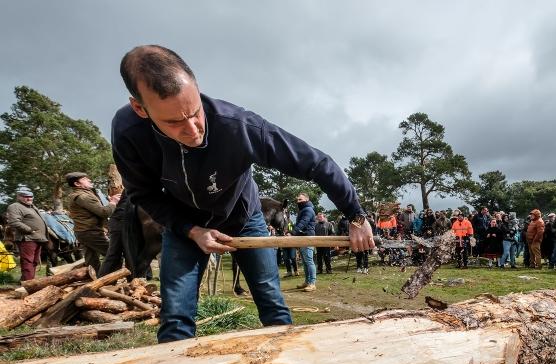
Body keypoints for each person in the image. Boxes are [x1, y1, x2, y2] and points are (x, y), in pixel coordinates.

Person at [112, 45, 372, 342]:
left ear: (196, 87)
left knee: (271, 301)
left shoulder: (238, 126)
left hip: (244, 218)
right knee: (175, 317)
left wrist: (356, 216)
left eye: (195, 112)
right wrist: (191, 230)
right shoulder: (129, 133)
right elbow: (143, 194)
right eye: (173, 122)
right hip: (184, 226)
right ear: (140, 109)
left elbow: (316, 163)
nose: (193, 130)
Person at [64, 172, 120, 273]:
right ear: (77, 184)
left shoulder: (82, 194)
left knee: (92, 261)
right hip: (90, 232)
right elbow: (104, 212)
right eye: (84, 179)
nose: (89, 180)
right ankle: (109, 278)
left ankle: (96, 280)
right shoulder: (83, 196)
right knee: (114, 255)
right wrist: (113, 202)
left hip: (84, 232)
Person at [5, 186, 49, 281]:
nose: (29, 198)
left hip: (37, 238)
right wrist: (29, 230)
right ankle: (27, 283)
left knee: (34, 261)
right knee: (28, 261)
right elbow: (14, 222)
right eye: (25, 196)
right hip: (27, 238)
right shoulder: (15, 206)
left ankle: (29, 281)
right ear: (19, 197)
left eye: (31, 196)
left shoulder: (32, 206)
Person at [292, 193, 317, 291]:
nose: (298, 201)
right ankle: (307, 281)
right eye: (297, 200)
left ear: (307, 199)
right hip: (302, 238)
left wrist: (293, 232)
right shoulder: (303, 210)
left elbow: (303, 222)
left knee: (309, 261)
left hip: (307, 237)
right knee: (305, 262)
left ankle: (312, 283)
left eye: (300, 199)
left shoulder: (308, 209)